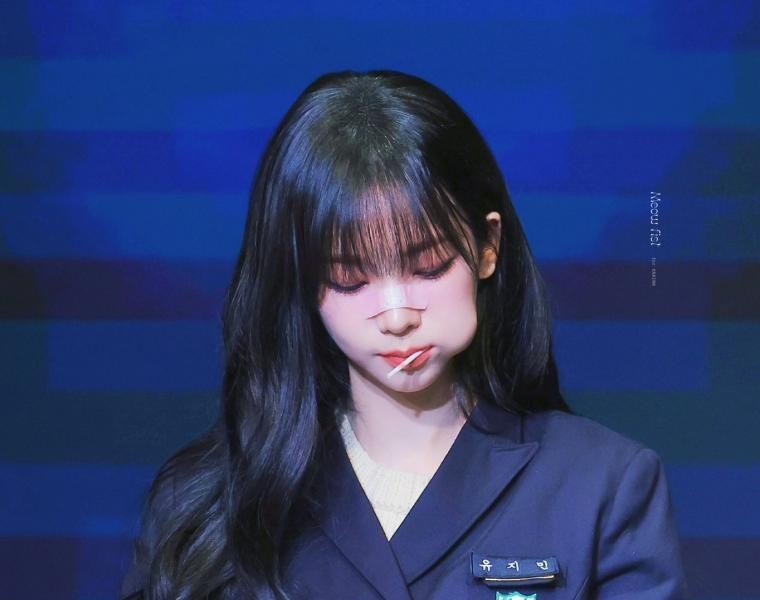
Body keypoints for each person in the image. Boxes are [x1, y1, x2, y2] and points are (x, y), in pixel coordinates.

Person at [119, 69, 691, 600]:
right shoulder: (202, 507)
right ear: (301, 282)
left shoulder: (602, 485)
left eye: (428, 266)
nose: (396, 316)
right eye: (349, 279)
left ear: (488, 247)